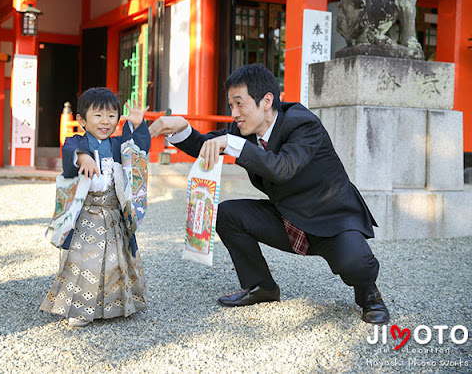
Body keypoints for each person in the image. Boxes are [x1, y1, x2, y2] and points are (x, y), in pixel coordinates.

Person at [149, 63, 389, 324]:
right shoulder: (244, 132)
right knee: (227, 214)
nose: (235, 113)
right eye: (231, 106)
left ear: (266, 101)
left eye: (240, 104)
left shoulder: (303, 124)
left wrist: (231, 144)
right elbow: (205, 145)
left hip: (330, 219)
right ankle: (260, 287)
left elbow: (283, 168)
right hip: (288, 220)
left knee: (357, 265)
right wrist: (180, 128)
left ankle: (369, 295)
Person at [40, 87, 150, 327]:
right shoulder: (76, 142)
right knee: (83, 262)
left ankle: (115, 304)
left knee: (116, 261)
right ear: (82, 120)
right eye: (98, 115)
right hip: (86, 215)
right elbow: (70, 150)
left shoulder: (118, 144)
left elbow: (138, 150)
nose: (105, 121)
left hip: (112, 213)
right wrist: (83, 157)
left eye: (112, 116)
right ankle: (79, 308)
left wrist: (139, 126)